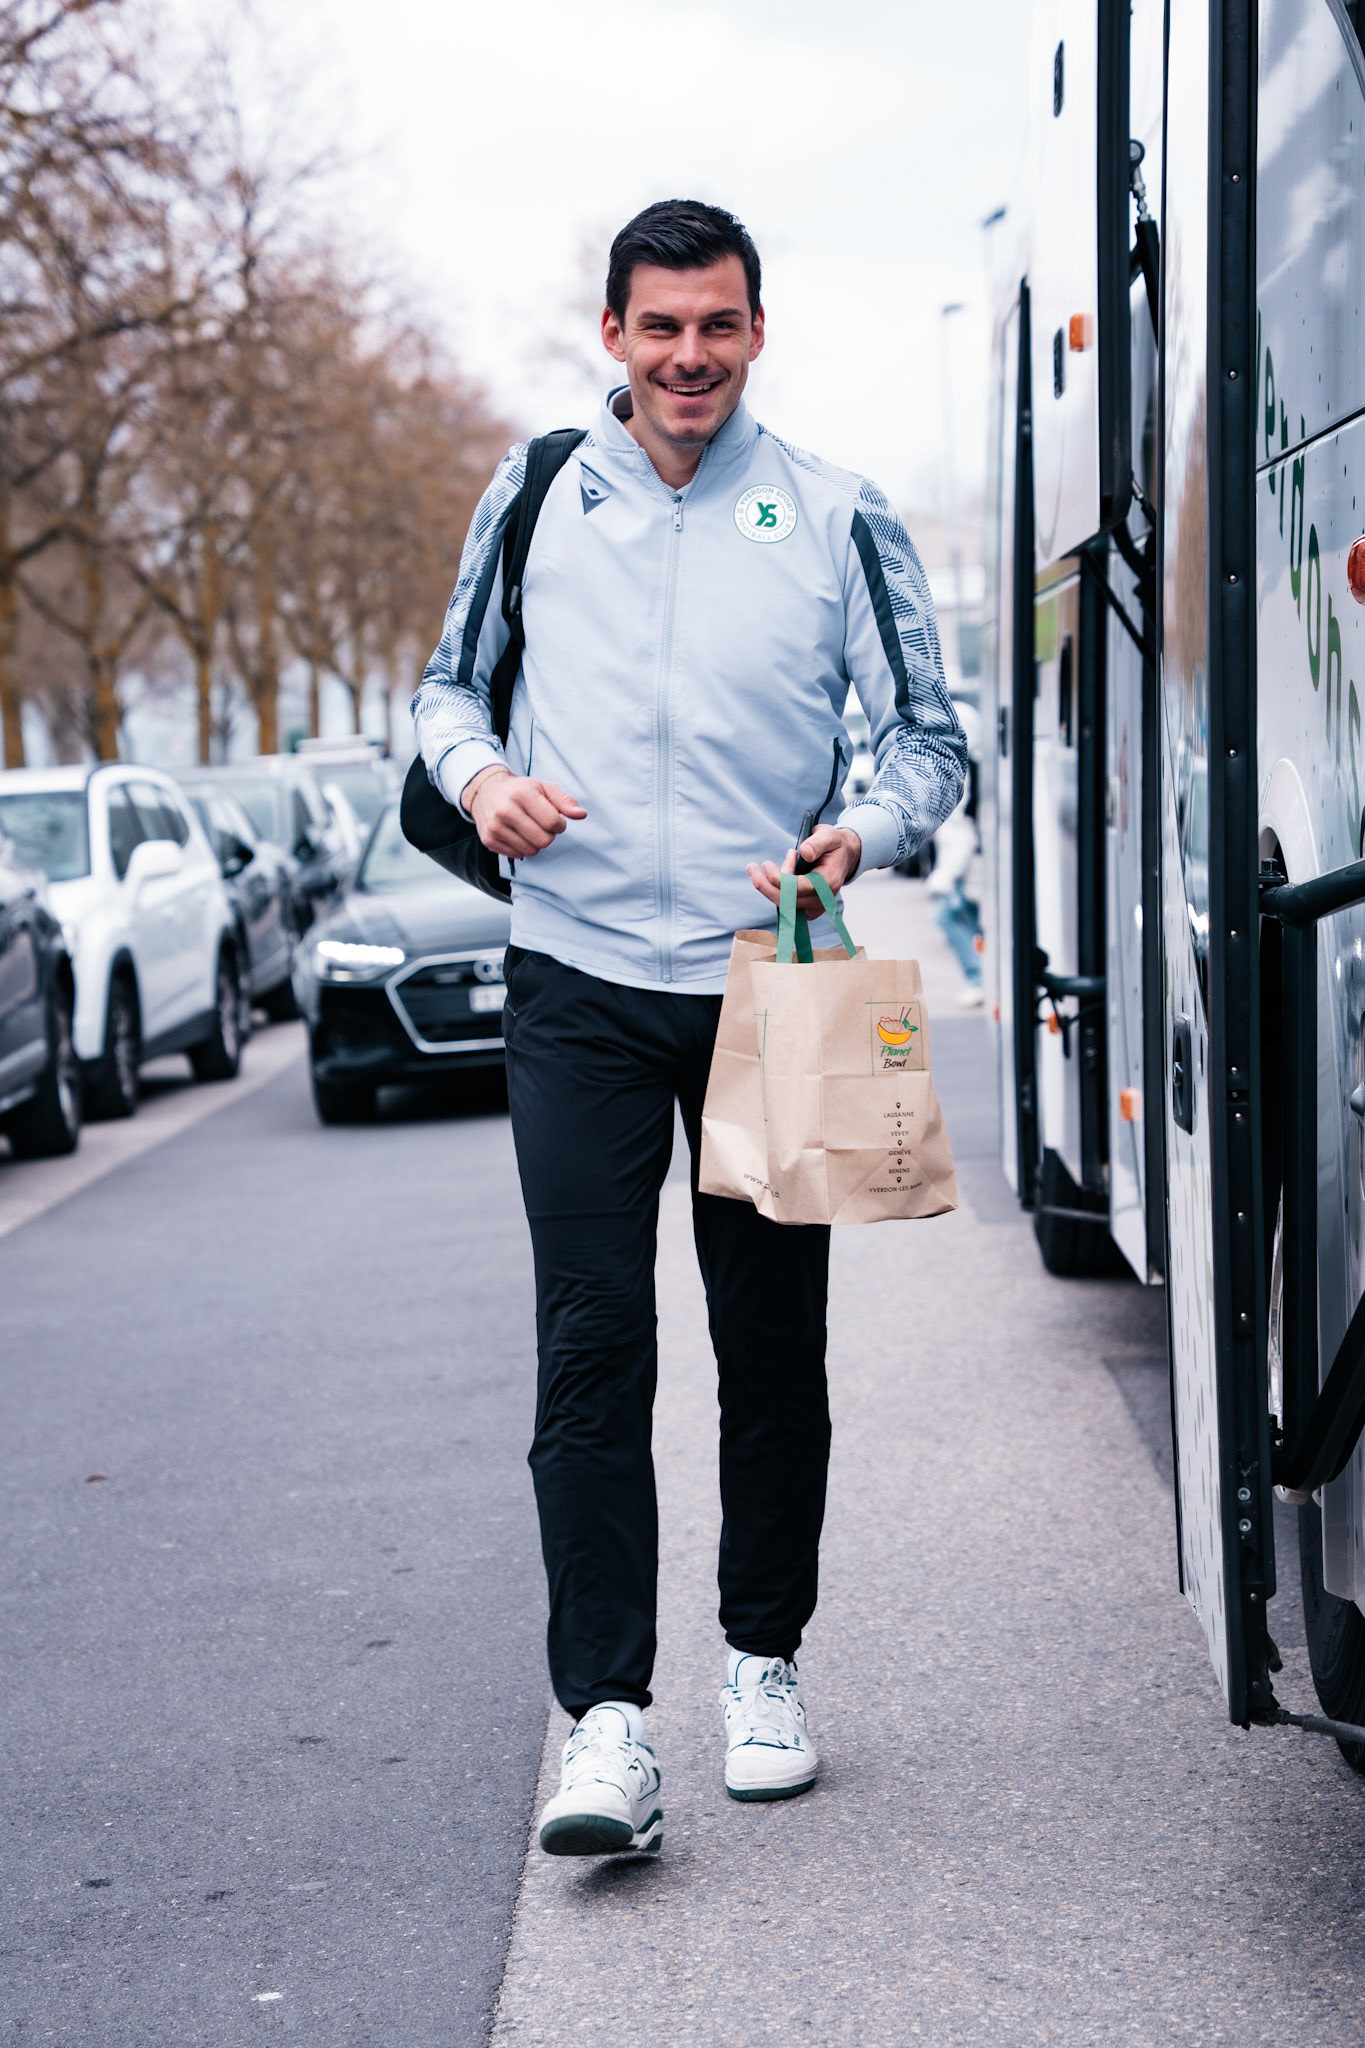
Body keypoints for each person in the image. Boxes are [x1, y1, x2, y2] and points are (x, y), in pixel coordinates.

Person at [413, 200, 965, 1857]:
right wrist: (483, 779)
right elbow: (446, 690)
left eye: (716, 326)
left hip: (768, 976)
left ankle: (763, 1663)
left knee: (766, 1348)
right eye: (658, 328)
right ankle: (604, 1723)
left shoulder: (838, 515)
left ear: (756, 331)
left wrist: (862, 830)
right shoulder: (533, 494)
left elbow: (927, 741)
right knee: (590, 1344)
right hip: (576, 975)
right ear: (612, 338)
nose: (687, 357)